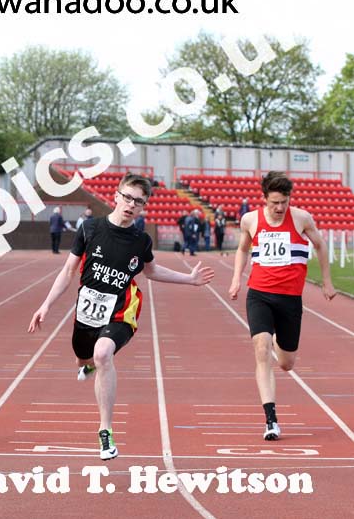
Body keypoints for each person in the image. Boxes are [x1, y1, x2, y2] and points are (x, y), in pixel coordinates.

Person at [28, 174, 214, 460]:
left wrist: (189, 279)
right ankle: (87, 365)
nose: (131, 205)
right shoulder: (90, 228)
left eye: (138, 201)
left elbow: (151, 271)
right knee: (84, 358)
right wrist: (45, 305)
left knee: (103, 354)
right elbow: (67, 271)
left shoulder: (140, 240)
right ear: (116, 196)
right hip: (87, 311)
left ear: (143, 207)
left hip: (121, 310)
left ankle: (105, 431)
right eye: (127, 197)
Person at [229, 171, 335, 441]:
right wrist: (236, 280)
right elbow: (242, 249)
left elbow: (321, 246)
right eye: (274, 202)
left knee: (286, 363)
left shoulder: (301, 218)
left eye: (283, 202)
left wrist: (326, 282)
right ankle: (271, 420)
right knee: (261, 349)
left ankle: (278, 341)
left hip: (290, 299)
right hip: (260, 294)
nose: (279, 208)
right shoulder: (250, 220)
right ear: (264, 198)